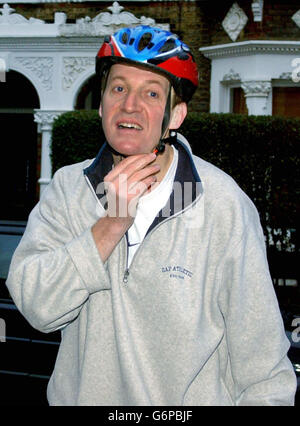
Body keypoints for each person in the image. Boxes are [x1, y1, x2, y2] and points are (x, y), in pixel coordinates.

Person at [6, 26, 296, 406]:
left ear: (175, 115)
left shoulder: (223, 204)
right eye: (119, 88)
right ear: (101, 104)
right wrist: (111, 223)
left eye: (151, 93)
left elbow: (264, 371)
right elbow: (37, 308)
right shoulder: (68, 190)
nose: (129, 105)